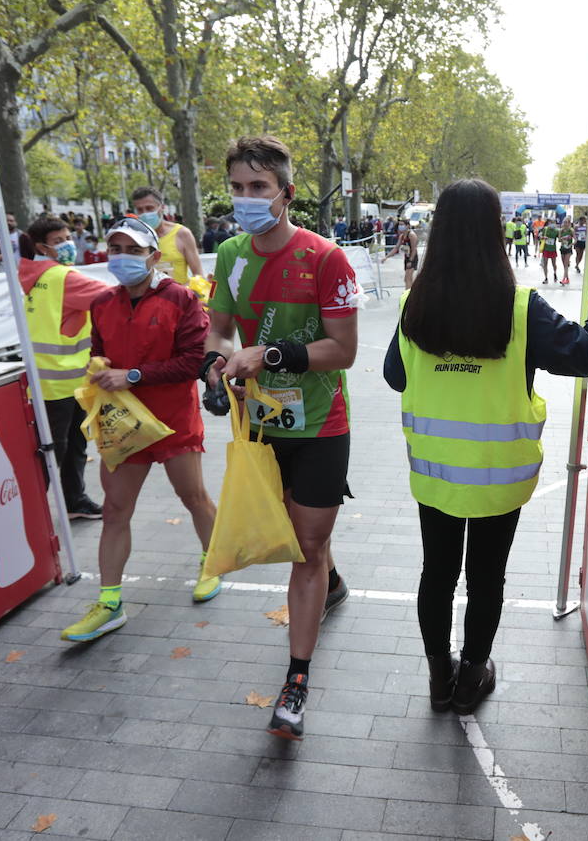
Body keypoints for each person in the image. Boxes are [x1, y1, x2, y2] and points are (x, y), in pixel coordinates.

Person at [383, 178, 588, 715]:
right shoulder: (521, 307)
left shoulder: (413, 305)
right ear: (497, 231)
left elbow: (393, 375)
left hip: (435, 474)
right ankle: (473, 674)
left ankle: (438, 677)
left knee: (437, 572)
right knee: (486, 577)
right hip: (500, 477)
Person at [204, 135, 358, 740]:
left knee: (306, 547)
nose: (246, 199)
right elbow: (218, 330)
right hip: (259, 429)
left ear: (287, 194)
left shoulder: (327, 259)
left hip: (320, 426)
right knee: (303, 539)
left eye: (258, 188)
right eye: (238, 188)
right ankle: (331, 580)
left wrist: (267, 354)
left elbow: (341, 350)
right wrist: (216, 365)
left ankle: (296, 680)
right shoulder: (230, 255)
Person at [60, 217, 218, 642]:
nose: (122, 258)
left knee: (194, 497)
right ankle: (109, 602)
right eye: (114, 249)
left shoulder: (182, 299)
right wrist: (99, 368)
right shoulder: (103, 303)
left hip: (173, 422)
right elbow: (99, 349)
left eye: (132, 250)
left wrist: (131, 376)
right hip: (123, 425)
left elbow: (192, 362)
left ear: (153, 257)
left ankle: (214, 561)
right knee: (114, 509)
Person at [19, 216, 112, 524]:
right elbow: (113, 297)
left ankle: (74, 500)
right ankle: (32, 517)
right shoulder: (62, 278)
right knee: (53, 450)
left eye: (67, 237)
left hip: (56, 379)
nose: (67, 244)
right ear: (40, 246)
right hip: (59, 382)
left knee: (71, 443)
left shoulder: (34, 276)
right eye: (58, 241)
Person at [129, 186, 203, 285]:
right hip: (149, 299)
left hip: (179, 298)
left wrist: (186, 293)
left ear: (162, 207)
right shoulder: (133, 238)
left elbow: (199, 276)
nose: (145, 213)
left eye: (149, 208)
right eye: (140, 210)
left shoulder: (182, 234)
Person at [384, 220, 419, 288]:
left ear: (407, 225)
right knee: (408, 279)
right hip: (407, 257)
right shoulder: (402, 236)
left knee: (407, 278)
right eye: (399, 225)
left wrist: (411, 260)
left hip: (412, 258)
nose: (400, 226)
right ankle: (411, 293)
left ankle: (408, 295)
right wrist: (386, 257)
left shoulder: (411, 235)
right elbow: (396, 248)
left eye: (402, 224)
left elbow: (414, 249)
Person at [557, 220, 574, 284]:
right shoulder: (561, 230)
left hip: (568, 249)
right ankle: (567, 278)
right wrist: (564, 237)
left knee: (566, 264)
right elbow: (558, 240)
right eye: (564, 222)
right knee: (564, 265)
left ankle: (564, 279)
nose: (565, 224)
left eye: (567, 222)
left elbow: (575, 240)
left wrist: (570, 244)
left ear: (569, 223)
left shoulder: (571, 230)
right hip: (562, 248)